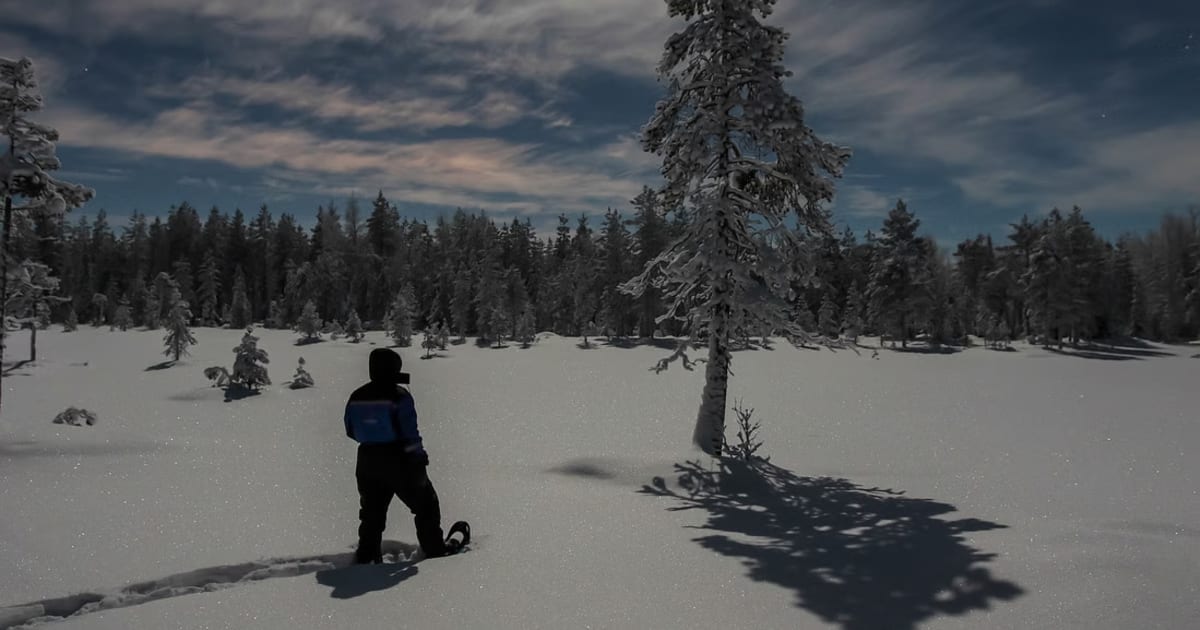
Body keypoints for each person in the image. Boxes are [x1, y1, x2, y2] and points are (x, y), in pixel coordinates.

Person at [344, 348, 459, 562]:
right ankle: (434, 549)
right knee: (426, 505)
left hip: (367, 460)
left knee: (371, 514)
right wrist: (419, 459)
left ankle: (367, 555)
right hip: (400, 461)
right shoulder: (399, 396)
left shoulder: (356, 396)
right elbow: (410, 433)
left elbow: (350, 430)